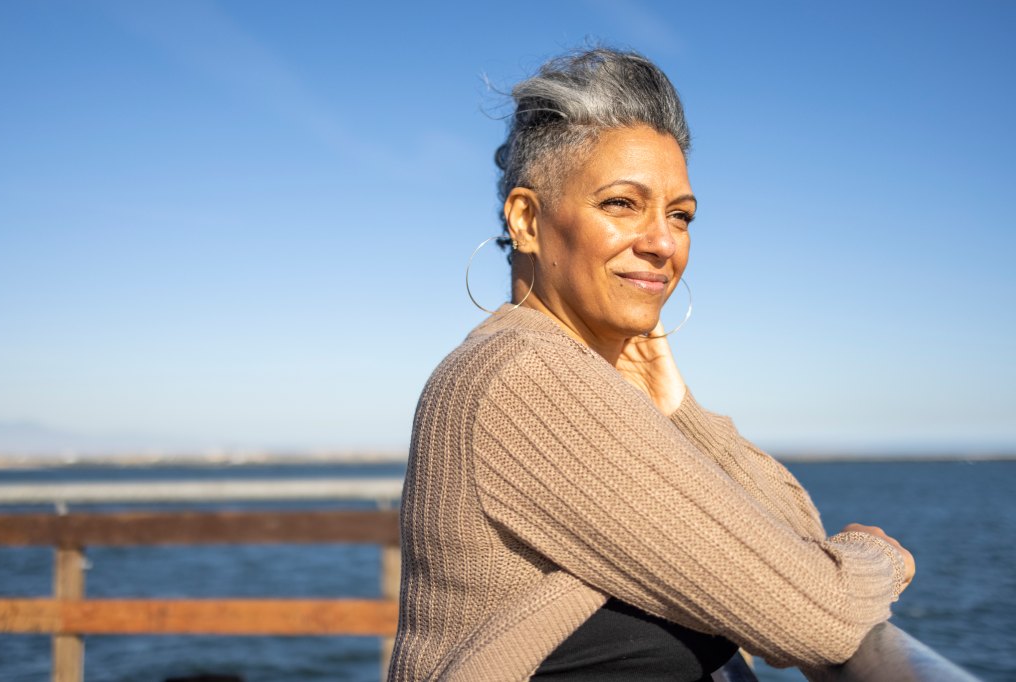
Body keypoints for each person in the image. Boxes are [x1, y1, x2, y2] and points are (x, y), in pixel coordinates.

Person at [387, 47, 915, 681]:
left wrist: (678, 410)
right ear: (527, 220)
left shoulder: (566, 373)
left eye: (680, 215)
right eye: (620, 204)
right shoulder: (524, 379)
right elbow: (819, 615)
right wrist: (880, 557)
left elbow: (798, 542)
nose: (663, 242)